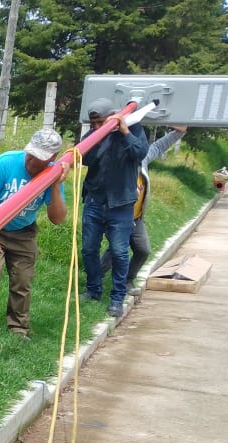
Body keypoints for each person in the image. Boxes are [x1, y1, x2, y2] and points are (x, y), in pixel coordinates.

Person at [0, 128, 69, 340]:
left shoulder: (52, 175)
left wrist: (56, 185)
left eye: (39, 157)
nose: (31, 160)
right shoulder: (5, 163)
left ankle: (18, 327)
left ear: (53, 157)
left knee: (22, 279)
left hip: (23, 233)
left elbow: (57, 218)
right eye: (31, 153)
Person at [80, 97, 149, 318]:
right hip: (94, 200)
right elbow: (83, 157)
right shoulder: (94, 134)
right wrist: (97, 135)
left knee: (119, 252)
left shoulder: (134, 128)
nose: (97, 127)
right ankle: (93, 289)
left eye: (101, 122)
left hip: (121, 204)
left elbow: (140, 153)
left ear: (112, 116)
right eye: (94, 124)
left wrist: (124, 131)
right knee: (89, 249)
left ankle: (117, 298)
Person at [99, 126, 187, 295]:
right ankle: (96, 279)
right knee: (117, 249)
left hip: (136, 218)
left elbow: (160, 146)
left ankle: (128, 279)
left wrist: (179, 133)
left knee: (143, 250)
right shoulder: (117, 159)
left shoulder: (142, 158)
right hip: (117, 215)